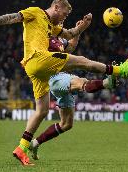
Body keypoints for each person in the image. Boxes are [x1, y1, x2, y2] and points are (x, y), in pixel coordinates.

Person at [0, 0, 128, 166]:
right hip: (38, 58)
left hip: (36, 70)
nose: (65, 17)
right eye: (64, 14)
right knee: (82, 61)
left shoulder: (51, 27)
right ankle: (120, 70)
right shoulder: (35, 12)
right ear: (56, 7)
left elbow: (70, 34)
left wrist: (82, 27)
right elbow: (12, 17)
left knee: (41, 110)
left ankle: (22, 148)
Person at [29, 27, 119, 160]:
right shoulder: (43, 39)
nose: (60, 25)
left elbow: (70, 47)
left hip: (61, 77)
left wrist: (79, 31)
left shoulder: (59, 40)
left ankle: (35, 143)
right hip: (53, 78)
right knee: (81, 81)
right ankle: (106, 83)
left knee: (66, 124)